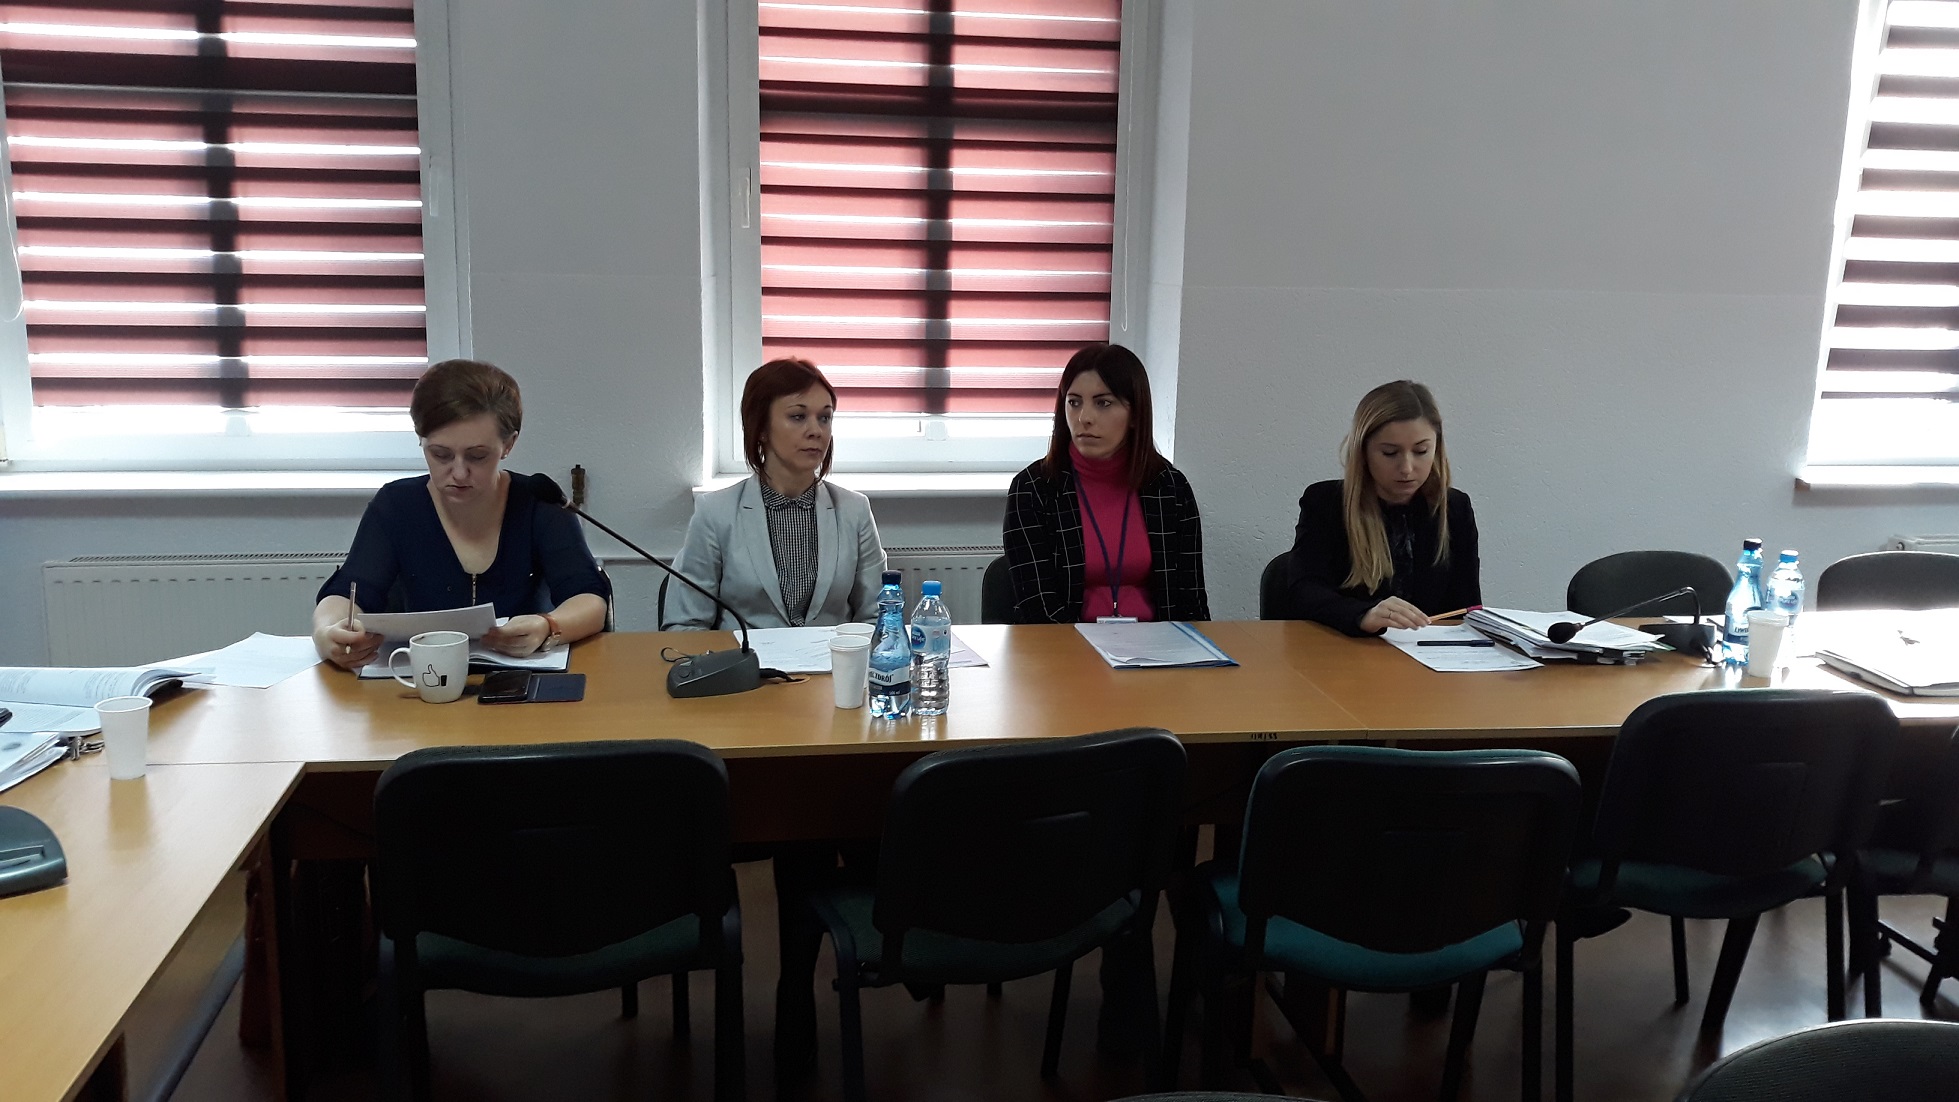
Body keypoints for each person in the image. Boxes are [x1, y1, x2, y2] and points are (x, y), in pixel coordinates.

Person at [311, 359, 611, 669]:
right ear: (420, 438)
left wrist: (549, 626)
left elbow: (589, 597)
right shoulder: (396, 506)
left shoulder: (539, 503)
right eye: (440, 454)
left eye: (477, 456)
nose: (458, 473)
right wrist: (326, 632)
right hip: (419, 682)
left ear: (508, 444)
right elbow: (348, 591)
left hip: (519, 680)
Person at [663, 357, 886, 629]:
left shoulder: (855, 510)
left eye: (824, 418)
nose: (816, 431)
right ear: (761, 429)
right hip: (745, 656)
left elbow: (879, 617)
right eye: (798, 417)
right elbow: (685, 625)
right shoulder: (715, 513)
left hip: (832, 657)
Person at [1002, 343, 1210, 624]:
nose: (1084, 418)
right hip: (1064, 645)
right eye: (1074, 402)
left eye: (1103, 403)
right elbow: (1039, 612)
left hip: (1159, 645)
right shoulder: (1033, 489)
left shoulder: (1170, 488)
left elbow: (1191, 604)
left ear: (1135, 414)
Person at [1285, 379, 1480, 635]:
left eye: (1421, 451)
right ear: (1363, 451)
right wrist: (1363, 615)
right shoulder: (1326, 502)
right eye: (1389, 453)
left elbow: (1466, 608)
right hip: (1345, 651)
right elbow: (1302, 592)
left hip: (1428, 654)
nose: (1407, 468)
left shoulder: (1455, 508)